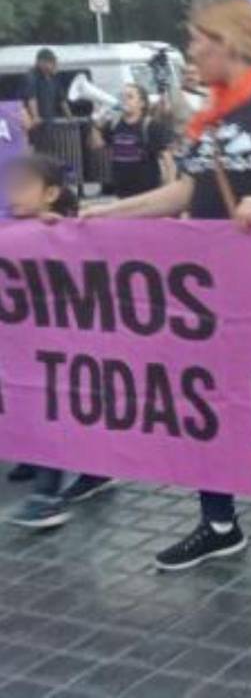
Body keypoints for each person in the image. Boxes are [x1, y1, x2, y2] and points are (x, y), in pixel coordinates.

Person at [83, 0, 251, 570]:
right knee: (208, 393)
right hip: (214, 286)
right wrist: (103, 216)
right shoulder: (213, 109)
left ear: (225, 42)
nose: (189, 53)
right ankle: (218, 520)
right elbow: (188, 190)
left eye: (195, 42)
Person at [4, 154, 116, 527]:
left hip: (60, 349)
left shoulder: (67, 233)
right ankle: (90, 471)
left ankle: (47, 494)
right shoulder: (12, 232)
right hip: (26, 347)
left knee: (49, 410)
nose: (12, 192)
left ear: (51, 193)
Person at [88, 83, 175, 199]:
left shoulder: (151, 126)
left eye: (130, 97)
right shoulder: (114, 124)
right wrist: (96, 125)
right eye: (122, 97)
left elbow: (168, 160)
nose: (125, 100)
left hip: (148, 191)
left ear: (142, 103)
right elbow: (96, 145)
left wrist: (169, 190)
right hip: (122, 191)